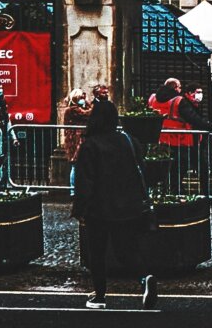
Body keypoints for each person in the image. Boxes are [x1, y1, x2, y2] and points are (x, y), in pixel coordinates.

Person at [71, 97, 157, 310]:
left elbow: (85, 181)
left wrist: (80, 208)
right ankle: (144, 277)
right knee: (125, 250)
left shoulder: (91, 144)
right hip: (127, 205)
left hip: (99, 208)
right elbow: (141, 170)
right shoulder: (128, 140)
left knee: (97, 253)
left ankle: (99, 296)